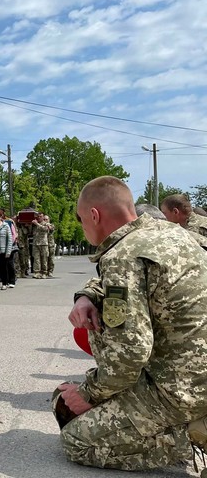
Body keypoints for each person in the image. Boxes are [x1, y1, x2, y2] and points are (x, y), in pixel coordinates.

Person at [53, 176, 207, 471]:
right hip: (192, 373)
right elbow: (143, 283)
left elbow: (130, 352)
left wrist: (87, 393)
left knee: (75, 437)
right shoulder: (171, 232)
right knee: (64, 400)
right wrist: (88, 294)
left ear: (95, 216)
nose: (82, 226)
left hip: (181, 390)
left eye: (82, 219)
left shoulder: (122, 256)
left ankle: (186, 436)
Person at [31, 212, 51, 279]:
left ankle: (44, 272)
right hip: (36, 244)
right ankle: (37, 272)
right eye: (38, 216)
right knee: (36, 259)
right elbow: (29, 232)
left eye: (40, 216)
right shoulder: (34, 224)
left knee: (44, 259)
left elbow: (46, 229)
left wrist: (37, 224)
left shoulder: (46, 224)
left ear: (43, 217)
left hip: (43, 244)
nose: (39, 217)